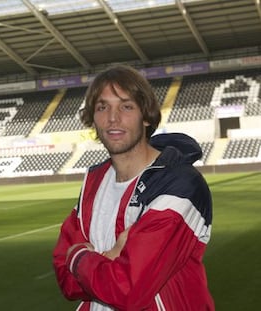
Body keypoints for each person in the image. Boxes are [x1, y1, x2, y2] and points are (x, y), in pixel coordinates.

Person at [52, 64, 214, 310]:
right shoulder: (94, 185)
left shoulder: (180, 184)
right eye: (102, 107)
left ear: (146, 116)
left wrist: (79, 257)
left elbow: (128, 290)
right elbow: (67, 281)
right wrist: (108, 259)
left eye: (126, 106)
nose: (112, 118)